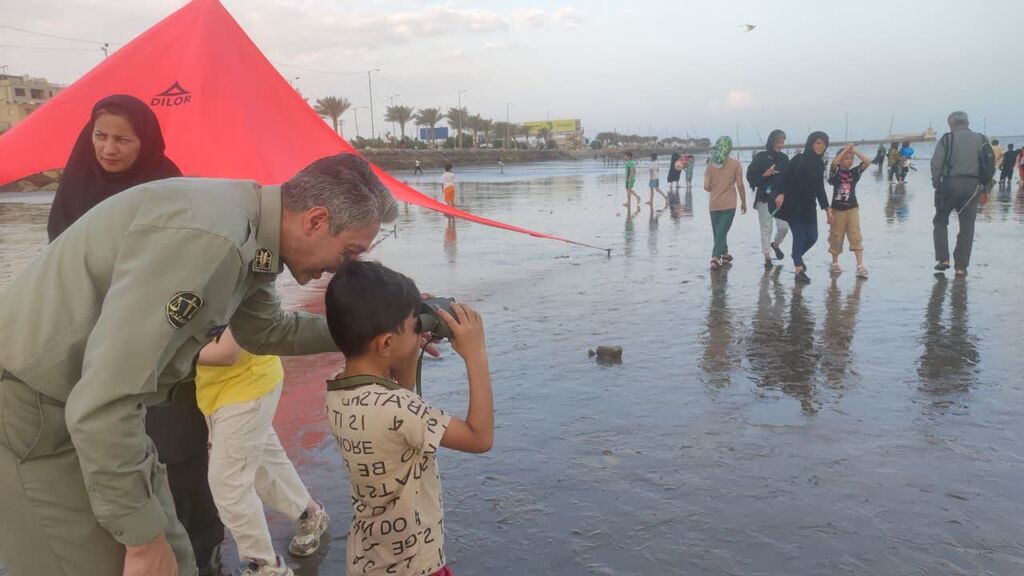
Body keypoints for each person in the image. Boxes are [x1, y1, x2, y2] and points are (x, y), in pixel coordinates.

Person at [0, 152, 397, 576]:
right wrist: (141, 540)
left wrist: (378, 326)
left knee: (176, 563)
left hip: (92, 417)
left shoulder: (254, 233)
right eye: (349, 253)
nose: (342, 269)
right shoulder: (214, 241)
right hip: (35, 420)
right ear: (316, 221)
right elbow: (103, 402)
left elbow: (266, 331)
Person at [44, 94, 224, 576]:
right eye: (100, 136)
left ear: (144, 141)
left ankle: (202, 556)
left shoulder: (168, 186)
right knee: (106, 454)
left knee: (177, 459)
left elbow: (193, 266)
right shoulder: (76, 185)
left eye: (123, 138)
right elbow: (57, 268)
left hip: (159, 347)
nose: (108, 148)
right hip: (90, 345)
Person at [324, 261, 493, 576]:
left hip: (369, 560)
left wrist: (410, 342)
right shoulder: (398, 409)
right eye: (413, 325)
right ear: (385, 343)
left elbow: (396, 390)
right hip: (415, 565)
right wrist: (475, 354)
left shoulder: (338, 389)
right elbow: (479, 437)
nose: (419, 329)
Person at [195, 328, 329, 576]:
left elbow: (226, 353)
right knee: (263, 464)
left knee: (228, 483)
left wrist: (157, 350)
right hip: (223, 387)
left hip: (246, 387)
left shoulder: (228, 288)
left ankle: (264, 567)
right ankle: (308, 513)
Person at [930, 111, 995, 277]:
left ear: (951, 124)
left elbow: (936, 163)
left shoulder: (947, 139)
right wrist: (986, 189)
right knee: (967, 226)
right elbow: (988, 165)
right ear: (967, 122)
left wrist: (936, 183)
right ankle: (961, 267)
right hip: (973, 187)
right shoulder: (981, 139)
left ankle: (943, 259)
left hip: (950, 184)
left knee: (940, 220)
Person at [773, 131, 833, 284]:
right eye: (818, 143)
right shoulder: (799, 159)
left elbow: (820, 187)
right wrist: (780, 193)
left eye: (824, 143)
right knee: (799, 237)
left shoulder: (820, 163)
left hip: (809, 206)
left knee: (813, 237)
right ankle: (798, 271)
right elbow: (785, 177)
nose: (821, 146)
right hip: (793, 204)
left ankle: (796, 256)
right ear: (811, 143)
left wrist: (827, 209)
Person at [746, 129, 790, 269]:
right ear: (771, 141)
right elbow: (751, 177)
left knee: (784, 227)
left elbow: (789, 177)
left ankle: (775, 244)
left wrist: (784, 193)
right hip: (764, 197)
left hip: (780, 198)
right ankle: (767, 257)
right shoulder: (761, 157)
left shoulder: (784, 158)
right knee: (766, 228)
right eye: (778, 142)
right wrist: (765, 174)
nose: (780, 145)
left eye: (782, 142)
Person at [826, 144, 872, 277]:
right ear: (840, 159)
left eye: (851, 158)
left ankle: (860, 265)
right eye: (846, 158)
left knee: (855, 234)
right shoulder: (835, 173)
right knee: (836, 236)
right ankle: (835, 263)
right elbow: (834, 162)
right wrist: (845, 150)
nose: (849, 160)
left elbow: (867, 161)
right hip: (837, 210)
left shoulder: (854, 173)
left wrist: (854, 151)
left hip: (852, 208)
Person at [703, 136, 747, 270]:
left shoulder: (711, 164)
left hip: (714, 203)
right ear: (729, 148)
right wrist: (743, 202)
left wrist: (715, 187)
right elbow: (740, 185)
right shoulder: (735, 164)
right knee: (721, 231)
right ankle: (715, 257)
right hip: (729, 204)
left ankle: (725, 254)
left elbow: (706, 186)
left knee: (719, 232)